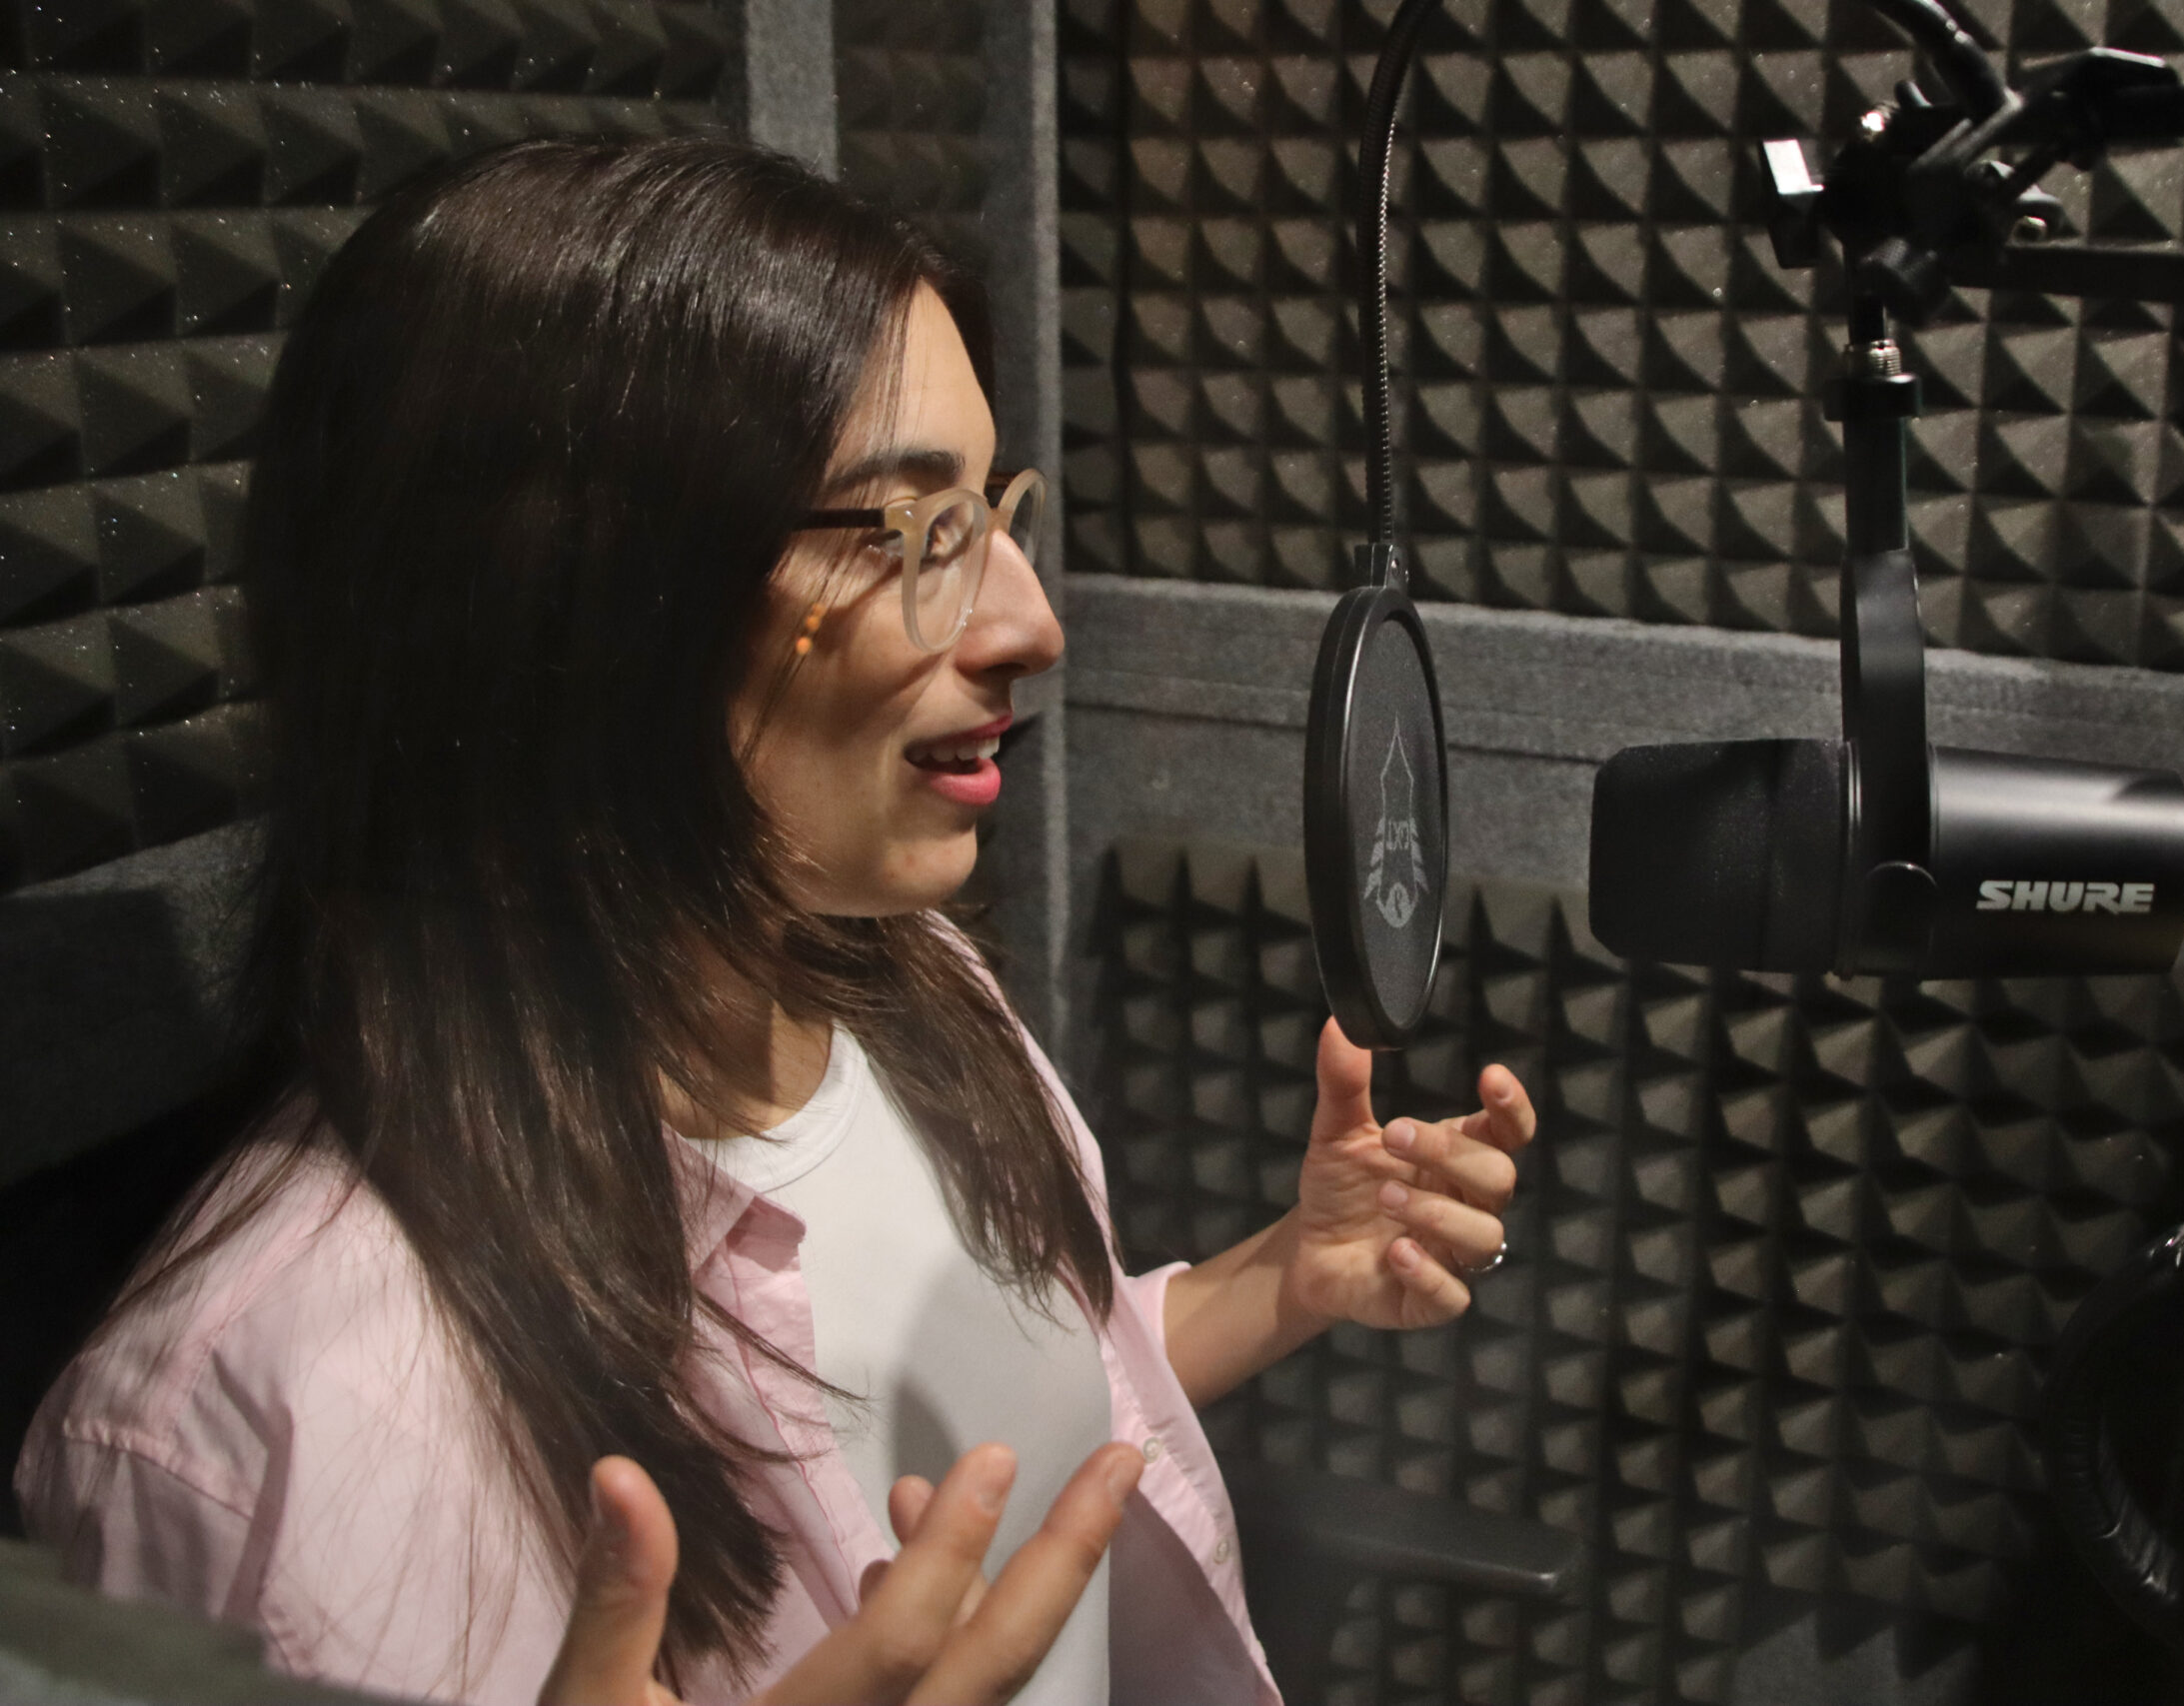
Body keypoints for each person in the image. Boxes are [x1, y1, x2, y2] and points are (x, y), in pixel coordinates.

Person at [13, 137, 1537, 1706]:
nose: (1030, 622)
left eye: (989, 510)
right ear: (577, 611)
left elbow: (991, 1403)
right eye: (907, 532)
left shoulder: (911, 994)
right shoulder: (256, 1435)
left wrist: (1279, 1279)